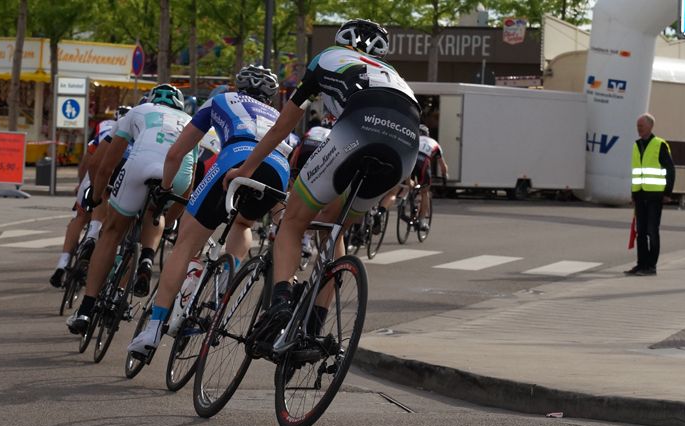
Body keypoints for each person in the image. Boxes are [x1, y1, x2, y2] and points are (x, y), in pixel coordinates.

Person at [223, 19, 420, 340]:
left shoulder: (327, 57)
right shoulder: (396, 76)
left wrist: (244, 170)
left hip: (360, 125)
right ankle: (314, 327)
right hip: (406, 145)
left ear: (343, 42)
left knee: (293, 220)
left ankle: (281, 303)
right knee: (334, 225)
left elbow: (281, 128)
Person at [125, 65, 292, 356]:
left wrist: (166, 188)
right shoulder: (278, 116)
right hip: (278, 170)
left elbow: (177, 152)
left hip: (235, 160)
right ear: (270, 96)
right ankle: (228, 273)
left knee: (185, 244)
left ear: (237, 86)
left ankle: (153, 330)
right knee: (243, 224)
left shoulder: (220, 100)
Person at [66, 84, 198, 335]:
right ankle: (147, 259)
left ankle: (85, 308)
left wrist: (94, 199)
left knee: (113, 232)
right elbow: (187, 190)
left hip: (142, 164)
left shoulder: (137, 111)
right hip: (177, 175)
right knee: (153, 214)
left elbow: (102, 166)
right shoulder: (190, 120)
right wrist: (166, 222)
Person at [49, 106, 131, 288]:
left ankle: (62, 263)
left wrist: (81, 183)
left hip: (94, 177)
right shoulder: (139, 130)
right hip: (121, 178)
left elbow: (88, 161)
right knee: (115, 224)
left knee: (80, 217)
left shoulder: (104, 126)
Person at [625, 112, 674, 277]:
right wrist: (633, 194)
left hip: (655, 195)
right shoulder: (636, 145)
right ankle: (641, 264)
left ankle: (651, 266)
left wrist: (667, 193)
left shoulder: (659, 145)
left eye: (642, 126)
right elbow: (636, 172)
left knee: (652, 230)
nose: (638, 129)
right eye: (637, 126)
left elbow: (670, 170)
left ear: (650, 126)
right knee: (641, 231)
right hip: (640, 195)